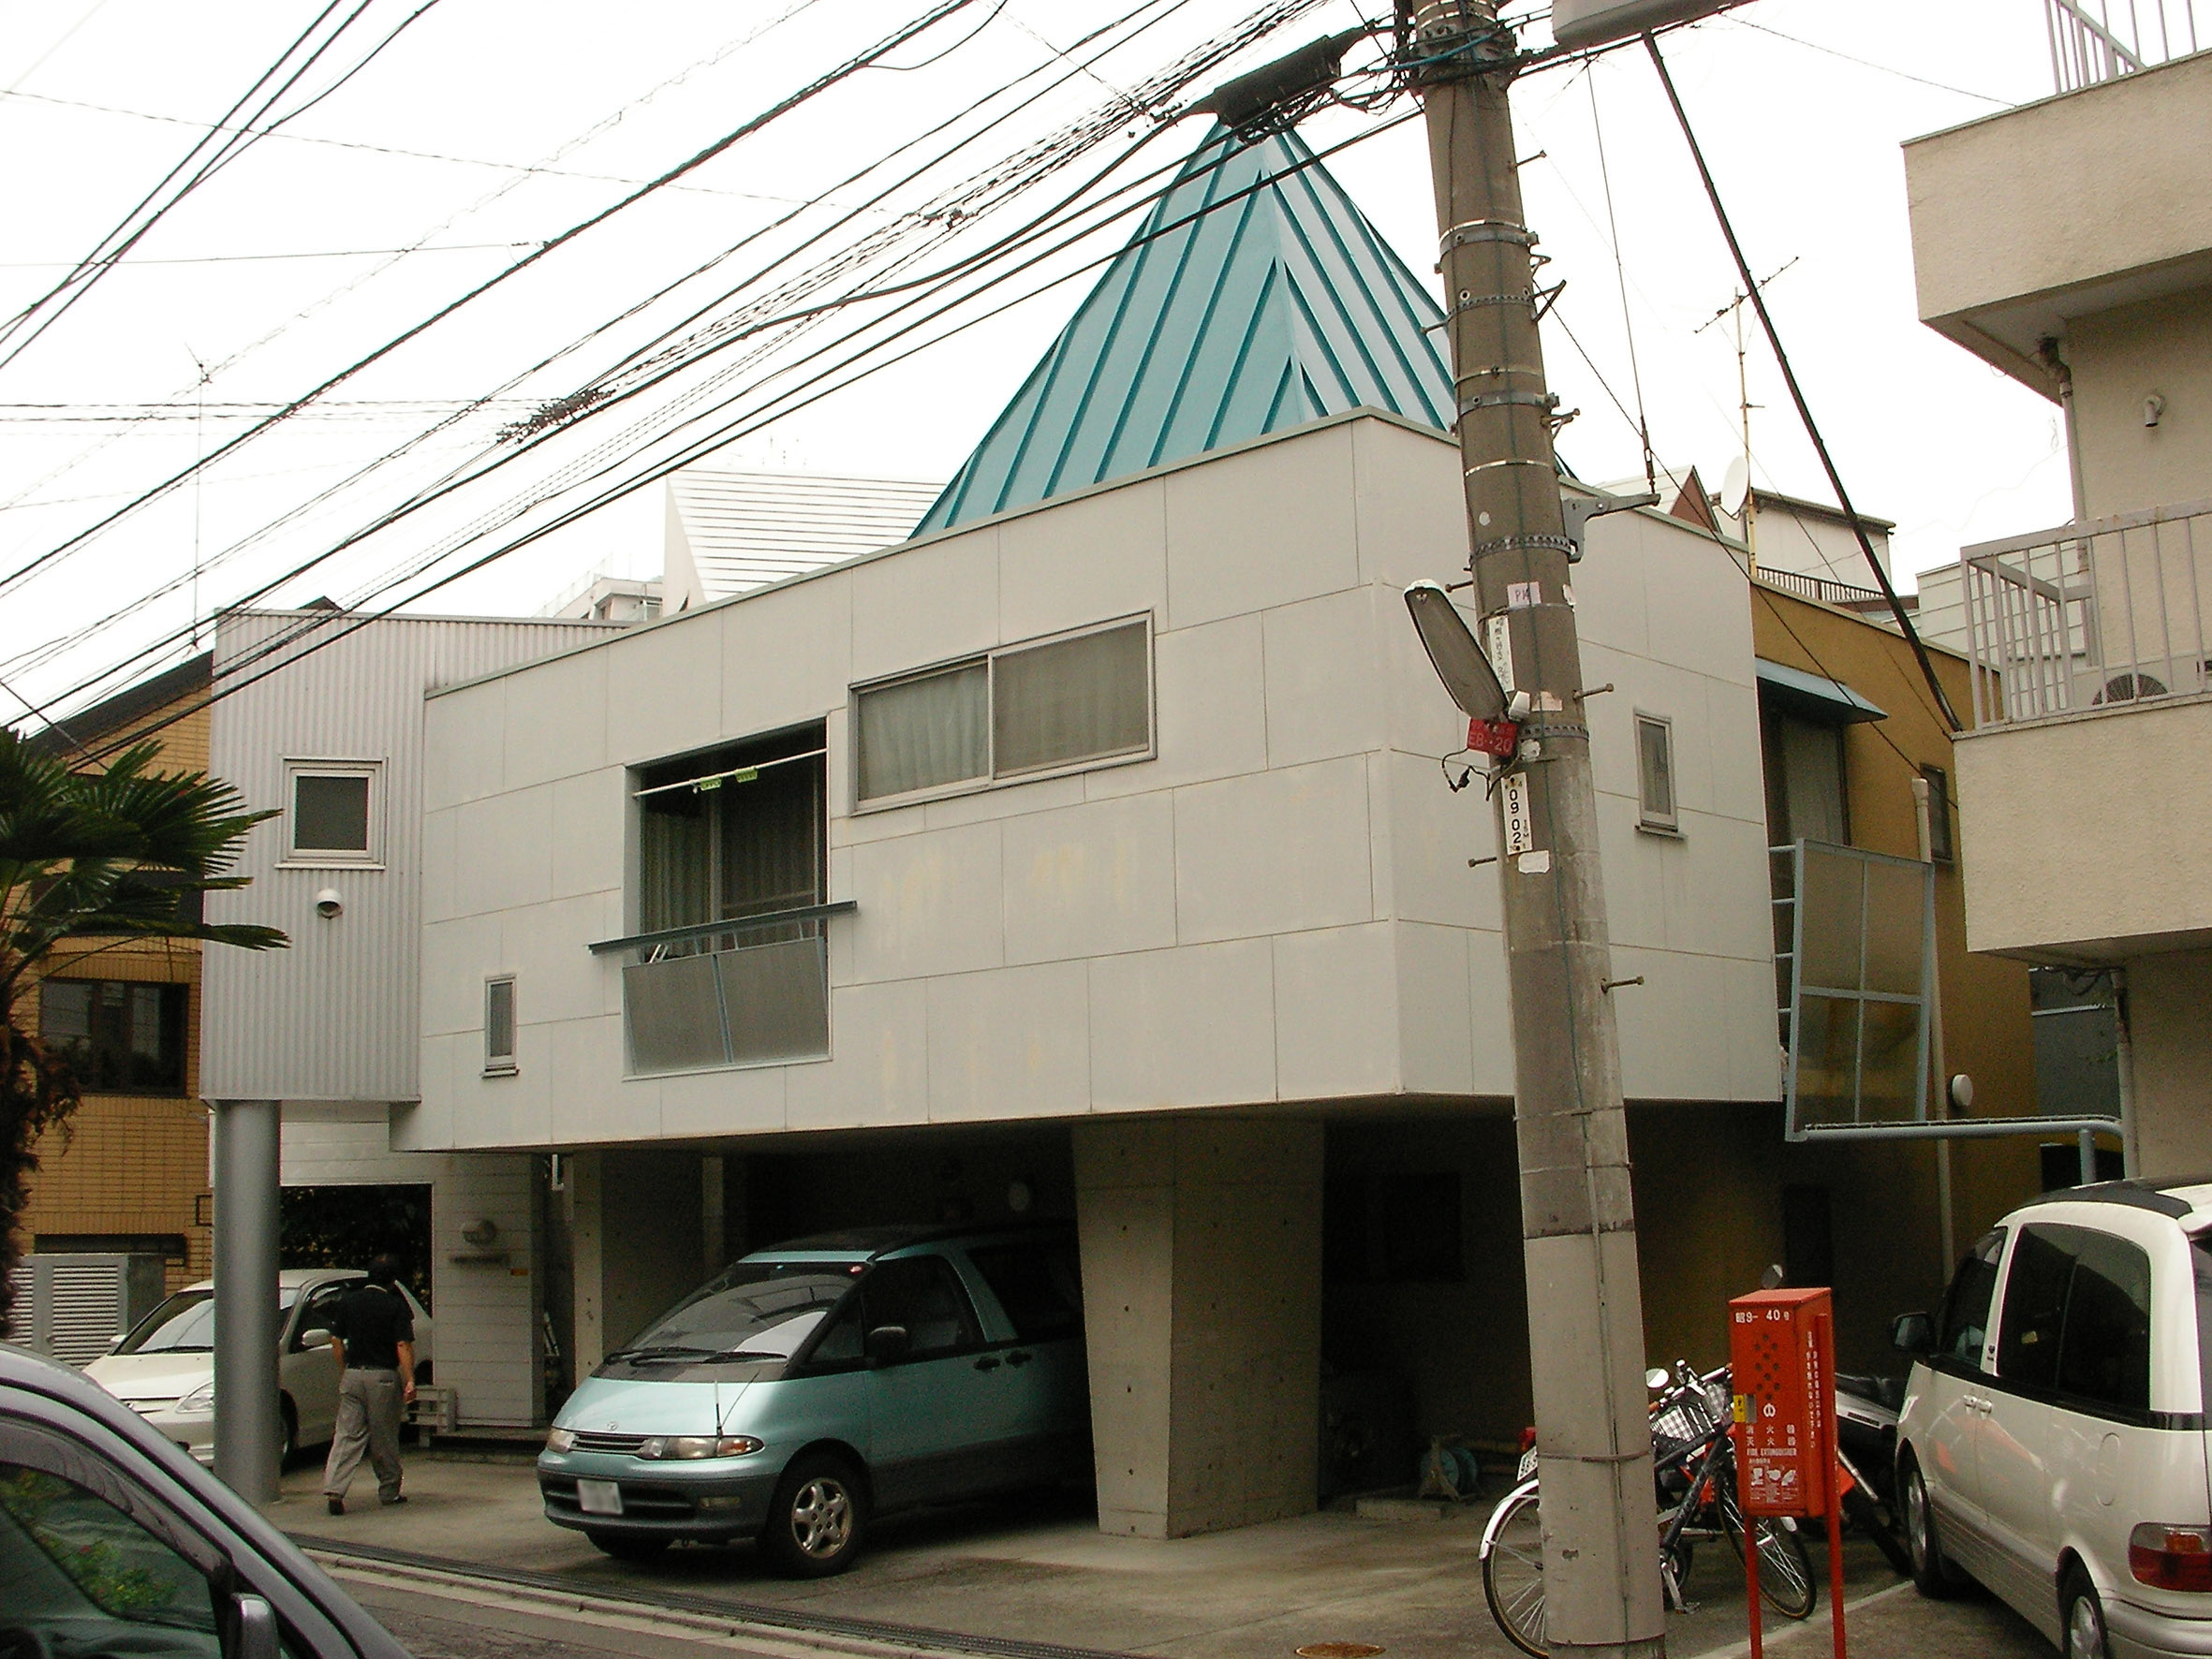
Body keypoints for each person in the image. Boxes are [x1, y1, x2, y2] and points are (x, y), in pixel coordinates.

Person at [320, 1255, 416, 1515]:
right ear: (392, 1280)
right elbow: (402, 1344)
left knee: (347, 1434)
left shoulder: (349, 1302)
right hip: (382, 1377)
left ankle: (335, 1489)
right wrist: (409, 1379)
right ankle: (389, 1491)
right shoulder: (395, 1305)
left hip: (353, 1374)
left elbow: (336, 1340)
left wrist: (345, 1371)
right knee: (384, 1436)